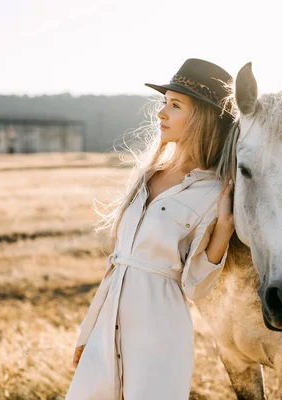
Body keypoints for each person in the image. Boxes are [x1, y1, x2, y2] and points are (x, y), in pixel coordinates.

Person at [65, 58, 237, 399]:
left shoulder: (211, 191)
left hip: (159, 329)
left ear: (202, 117)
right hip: (108, 321)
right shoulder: (145, 176)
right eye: (164, 103)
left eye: (175, 106)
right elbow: (115, 266)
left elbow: (196, 285)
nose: (161, 113)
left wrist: (224, 229)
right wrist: (88, 332)